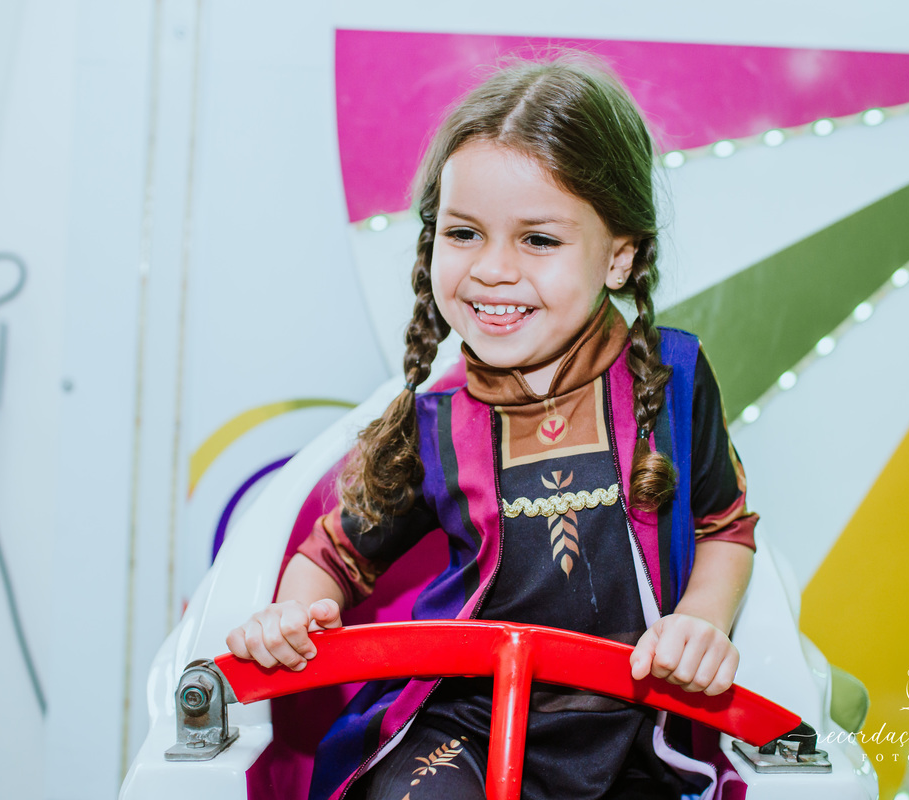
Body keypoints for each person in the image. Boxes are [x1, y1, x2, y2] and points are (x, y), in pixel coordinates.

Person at [227, 56, 758, 800]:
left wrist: (702, 623)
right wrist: (289, 613)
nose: (493, 270)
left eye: (538, 240)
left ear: (620, 255)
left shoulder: (672, 382)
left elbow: (724, 529)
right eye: (465, 233)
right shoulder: (436, 418)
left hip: (631, 741)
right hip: (462, 728)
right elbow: (335, 554)